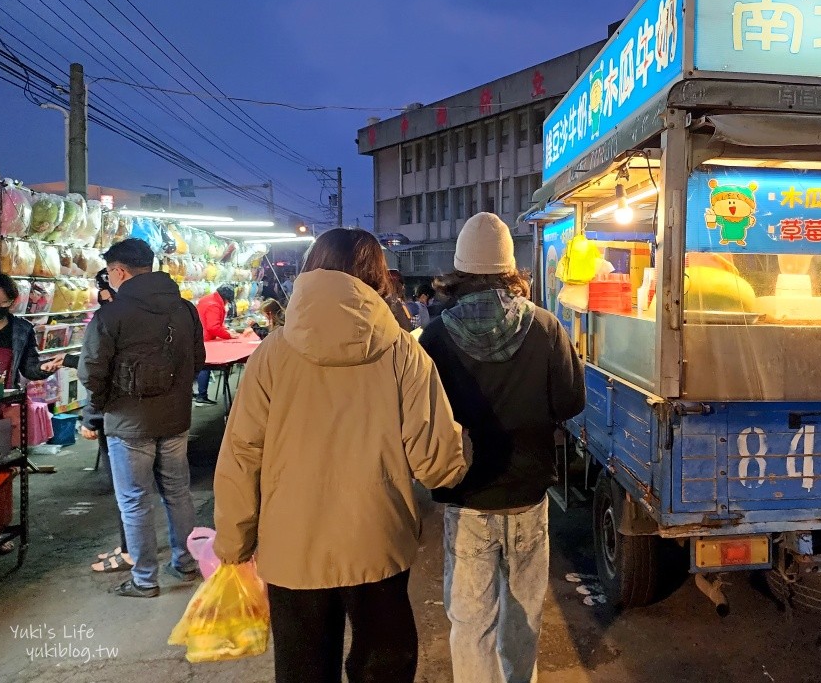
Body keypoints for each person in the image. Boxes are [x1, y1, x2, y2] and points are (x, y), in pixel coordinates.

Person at [213, 227, 470, 683]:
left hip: (292, 544)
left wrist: (234, 543)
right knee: (384, 667)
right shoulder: (403, 353)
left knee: (304, 670)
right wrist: (465, 445)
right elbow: (437, 464)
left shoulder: (271, 354)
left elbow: (241, 455)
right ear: (377, 278)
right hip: (377, 540)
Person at [419, 213, 585, 683]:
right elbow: (572, 401)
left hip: (468, 500)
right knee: (524, 618)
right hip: (529, 496)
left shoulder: (434, 337)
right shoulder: (547, 328)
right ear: (510, 268)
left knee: (471, 624)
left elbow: (424, 419)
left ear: (459, 271)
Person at [77, 238, 206, 597]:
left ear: (119, 271)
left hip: (128, 422)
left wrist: (93, 415)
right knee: (178, 492)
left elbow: (91, 373)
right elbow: (198, 360)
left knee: (134, 499)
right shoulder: (184, 309)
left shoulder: (110, 315)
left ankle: (145, 579)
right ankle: (185, 562)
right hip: (176, 419)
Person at [55, 270, 133, 573]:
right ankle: (131, 547)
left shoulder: (113, 321)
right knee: (136, 492)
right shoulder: (134, 318)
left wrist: (91, 418)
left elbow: (100, 372)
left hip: (119, 418)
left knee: (128, 492)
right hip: (140, 416)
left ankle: (131, 553)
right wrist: (68, 360)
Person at [0, 272, 59, 555]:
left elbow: (28, 367)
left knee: (1, 469)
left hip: (1, 409)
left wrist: (43, 369)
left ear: (12, 301)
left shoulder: (20, 330)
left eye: (2, 301)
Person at [193, 284, 235, 405]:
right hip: (205, 339)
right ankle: (201, 396)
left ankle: (197, 394)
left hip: (198, 336)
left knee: (202, 365)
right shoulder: (215, 305)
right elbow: (213, 327)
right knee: (205, 366)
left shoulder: (207, 299)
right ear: (226, 298)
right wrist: (228, 335)